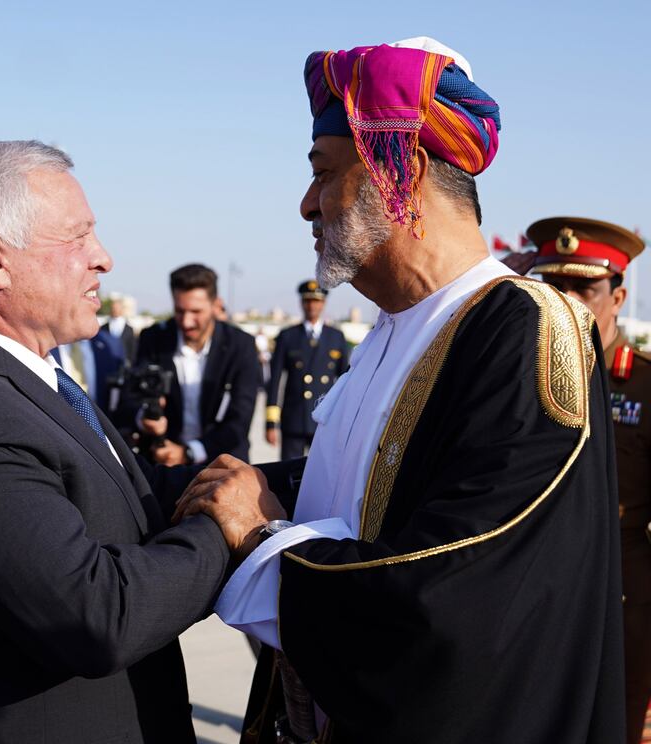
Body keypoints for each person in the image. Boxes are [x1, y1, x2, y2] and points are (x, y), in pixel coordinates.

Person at [174, 38, 624, 742]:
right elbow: (363, 490)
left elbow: (461, 590)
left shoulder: (527, 329)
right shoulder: (392, 331)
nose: (306, 204)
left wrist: (263, 536)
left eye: (323, 173)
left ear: (399, 170)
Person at [0, 140, 285, 744]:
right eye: (77, 237)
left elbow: (125, 499)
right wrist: (230, 526)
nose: (104, 259)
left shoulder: (21, 378)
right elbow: (99, 616)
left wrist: (293, 478)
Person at [528, 216, 649, 744]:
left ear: (618, 297)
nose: (569, 301)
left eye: (586, 288)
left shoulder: (644, 385)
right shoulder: (517, 377)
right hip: (533, 596)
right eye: (554, 286)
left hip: (622, 604)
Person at [119, 263, 260, 466]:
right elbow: (130, 399)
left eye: (196, 311)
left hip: (223, 464)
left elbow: (240, 419)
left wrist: (189, 453)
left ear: (215, 305)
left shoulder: (241, 345)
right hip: (163, 466)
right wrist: (145, 418)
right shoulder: (153, 338)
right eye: (179, 311)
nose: (186, 322)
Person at [265, 280, 348, 458]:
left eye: (316, 301)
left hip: (323, 419)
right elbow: (275, 381)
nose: (312, 306)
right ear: (302, 303)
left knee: (321, 477)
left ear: (323, 304)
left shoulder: (336, 337)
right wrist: (271, 422)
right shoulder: (287, 336)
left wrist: (343, 420)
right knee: (288, 477)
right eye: (308, 301)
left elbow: (345, 382)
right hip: (293, 419)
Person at [101, 292, 136, 365]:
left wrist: (131, 363)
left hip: (124, 364)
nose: (115, 310)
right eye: (113, 307)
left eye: (117, 307)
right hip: (107, 363)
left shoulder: (129, 329)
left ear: (121, 309)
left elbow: (132, 349)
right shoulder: (103, 328)